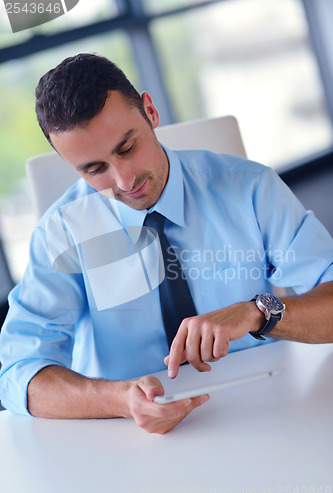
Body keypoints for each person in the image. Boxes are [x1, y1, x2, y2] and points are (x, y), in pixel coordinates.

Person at [0, 53, 332, 434]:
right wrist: (118, 400)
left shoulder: (250, 188)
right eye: (95, 169)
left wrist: (257, 313)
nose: (124, 181)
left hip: (266, 407)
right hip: (131, 433)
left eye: (126, 148)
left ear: (151, 112)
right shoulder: (61, 233)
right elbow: (18, 374)